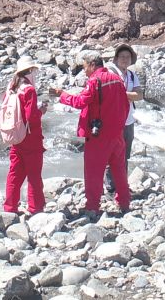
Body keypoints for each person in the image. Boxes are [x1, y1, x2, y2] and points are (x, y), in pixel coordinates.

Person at [59, 48, 130, 217]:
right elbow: (125, 105)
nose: (84, 71)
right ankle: (124, 202)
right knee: (119, 170)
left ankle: (92, 207)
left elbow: (80, 102)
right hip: (117, 134)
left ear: (92, 65)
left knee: (93, 172)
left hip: (99, 136)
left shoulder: (94, 81)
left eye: (85, 67)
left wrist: (62, 95)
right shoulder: (117, 79)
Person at [0, 58, 45, 214]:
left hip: (15, 136)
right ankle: (35, 208)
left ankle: (10, 207)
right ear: (30, 71)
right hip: (30, 137)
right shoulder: (29, 90)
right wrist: (41, 111)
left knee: (15, 173)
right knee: (34, 175)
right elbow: (31, 116)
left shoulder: (12, 87)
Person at [114, 43, 144, 161]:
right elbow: (111, 95)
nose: (125, 59)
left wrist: (122, 94)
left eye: (128, 57)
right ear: (116, 58)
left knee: (125, 157)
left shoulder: (132, 75)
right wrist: (131, 95)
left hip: (129, 121)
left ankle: (124, 174)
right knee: (113, 158)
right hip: (114, 122)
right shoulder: (112, 74)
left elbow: (140, 95)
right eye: (122, 56)